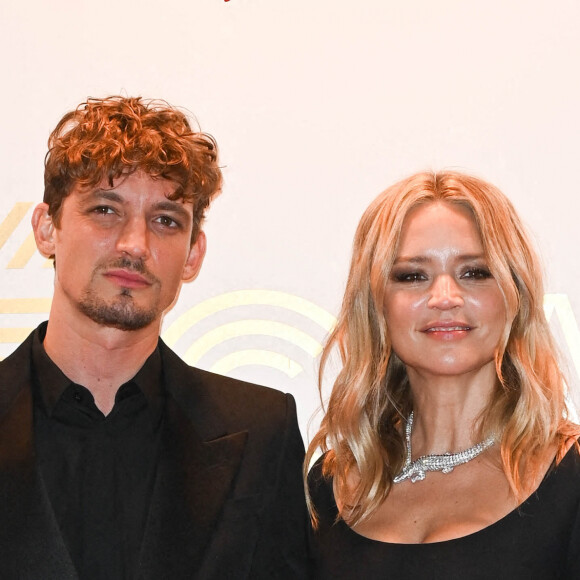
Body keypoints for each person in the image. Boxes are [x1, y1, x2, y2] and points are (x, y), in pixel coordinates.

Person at [0, 96, 308, 579]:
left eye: (166, 221)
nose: (135, 245)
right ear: (46, 229)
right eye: (105, 210)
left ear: (192, 254)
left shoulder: (263, 434)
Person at [306, 171, 580, 579]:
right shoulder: (330, 486)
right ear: (376, 304)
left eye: (475, 272)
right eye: (412, 276)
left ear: (514, 294)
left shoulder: (570, 476)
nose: (445, 298)